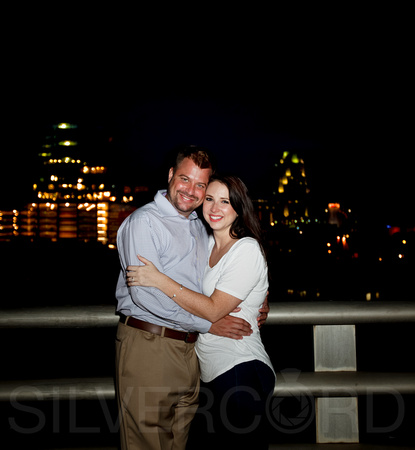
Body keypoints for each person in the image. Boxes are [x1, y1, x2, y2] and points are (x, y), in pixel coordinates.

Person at [115, 146, 269, 450]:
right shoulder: (145, 222)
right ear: (171, 175)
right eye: (186, 179)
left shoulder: (201, 228)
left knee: (178, 441)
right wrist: (207, 323)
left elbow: (229, 273)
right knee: (145, 441)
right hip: (150, 344)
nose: (192, 191)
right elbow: (146, 296)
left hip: (192, 354)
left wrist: (257, 297)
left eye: (201, 185)